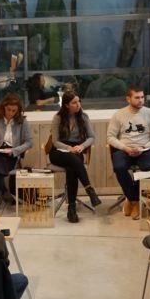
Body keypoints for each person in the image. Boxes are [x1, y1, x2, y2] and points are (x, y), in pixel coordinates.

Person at [108, 86, 150, 218]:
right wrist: (125, 148)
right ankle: (133, 199)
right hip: (124, 149)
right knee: (119, 167)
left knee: (149, 168)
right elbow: (110, 137)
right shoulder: (119, 114)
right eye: (137, 97)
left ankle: (133, 201)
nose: (141, 100)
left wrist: (144, 147)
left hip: (143, 149)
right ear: (128, 99)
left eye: (142, 97)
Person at [48, 91, 103, 223]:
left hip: (77, 149)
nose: (78, 105)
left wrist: (82, 147)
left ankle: (71, 208)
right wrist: (68, 148)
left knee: (72, 167)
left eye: (79, 101)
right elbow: (55, 141)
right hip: (59, 150)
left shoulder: (83, 117)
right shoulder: (58, 118)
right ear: (67, 105)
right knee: (73, 160)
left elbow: (92, 137)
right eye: (74, 102)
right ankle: (90, 190)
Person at [0, 94, 32, 207]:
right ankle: (4, 191)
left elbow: (29, 142)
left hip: (10, 155)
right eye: (8, 109)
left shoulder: (22, 121)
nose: (10, 113)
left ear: (18, 110)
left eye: (14, 110)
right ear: (3, 107)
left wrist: (15, 150)